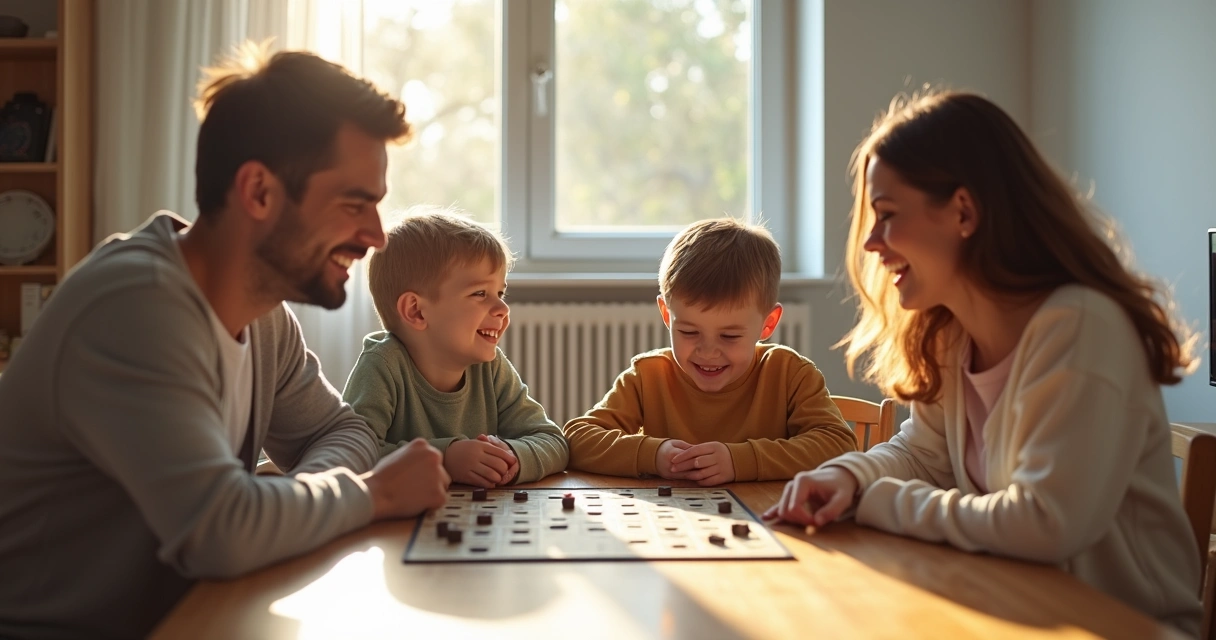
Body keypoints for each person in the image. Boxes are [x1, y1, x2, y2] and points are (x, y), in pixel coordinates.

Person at [0, 45, 451, 639]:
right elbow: (219, 532)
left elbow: (341, 432)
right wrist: (371, 495)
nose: (376, 237)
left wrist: (288, 510)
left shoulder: (263, 318)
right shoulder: (136, 307)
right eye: (353, 204)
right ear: (259, 192)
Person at [762, 90, 1202, 634]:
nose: (872, 243)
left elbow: (1044, 523)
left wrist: (877, 500)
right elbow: (923, 455)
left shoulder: (1081, 326)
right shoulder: (950, 334)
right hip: (1012, 606)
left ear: (964, 211)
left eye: (888, 216)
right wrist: (847, 477)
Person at [563, 218, 857, 485]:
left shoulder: (789, 374)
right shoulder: (648, 375)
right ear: (667, 316)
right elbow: (577, 440)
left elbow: (838, 444)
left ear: (767, 325)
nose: (708, 351)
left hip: (767, 526)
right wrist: (654, 454)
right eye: (689, 332)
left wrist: (739, 461)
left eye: (729, 336)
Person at [342, 207, 569, 487]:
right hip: (398, 524)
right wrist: (445, 459)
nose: (502, 308)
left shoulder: (492, 367)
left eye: (500, 293)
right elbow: (351, 455)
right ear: (417, 311)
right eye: (480, 293)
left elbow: (553, 441)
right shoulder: (382, 365)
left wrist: (515, 456)